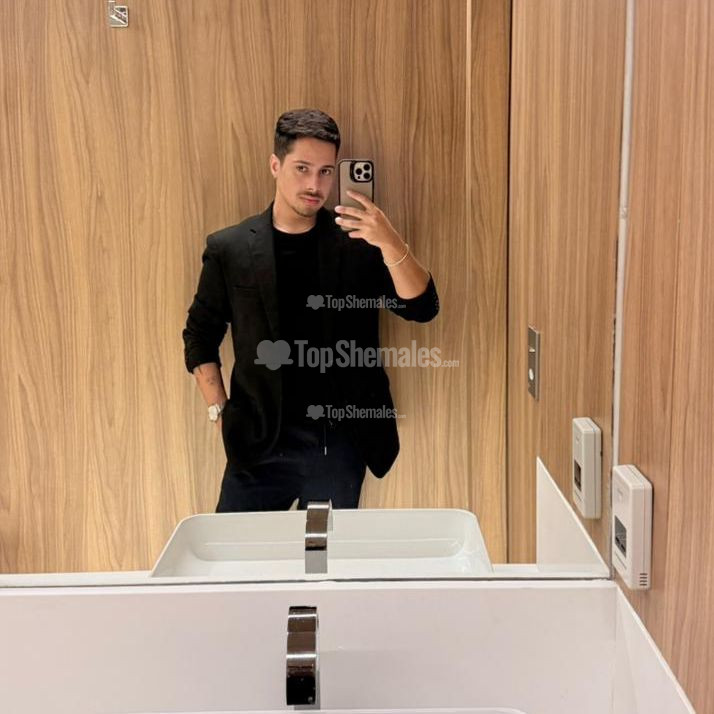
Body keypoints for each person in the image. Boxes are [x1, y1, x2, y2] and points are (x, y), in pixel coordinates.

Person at [182, 108, 439, 512]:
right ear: (275, 165)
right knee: (240, 550)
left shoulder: (357, 245)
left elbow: (421, 307)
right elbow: (200, 335)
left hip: (337, 445)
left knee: (322, 551)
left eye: (325, 172)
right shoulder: (229, 249)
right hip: (257, 444)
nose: (314, 185)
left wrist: (390, 241)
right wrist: (219, 410)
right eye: (302, 168)